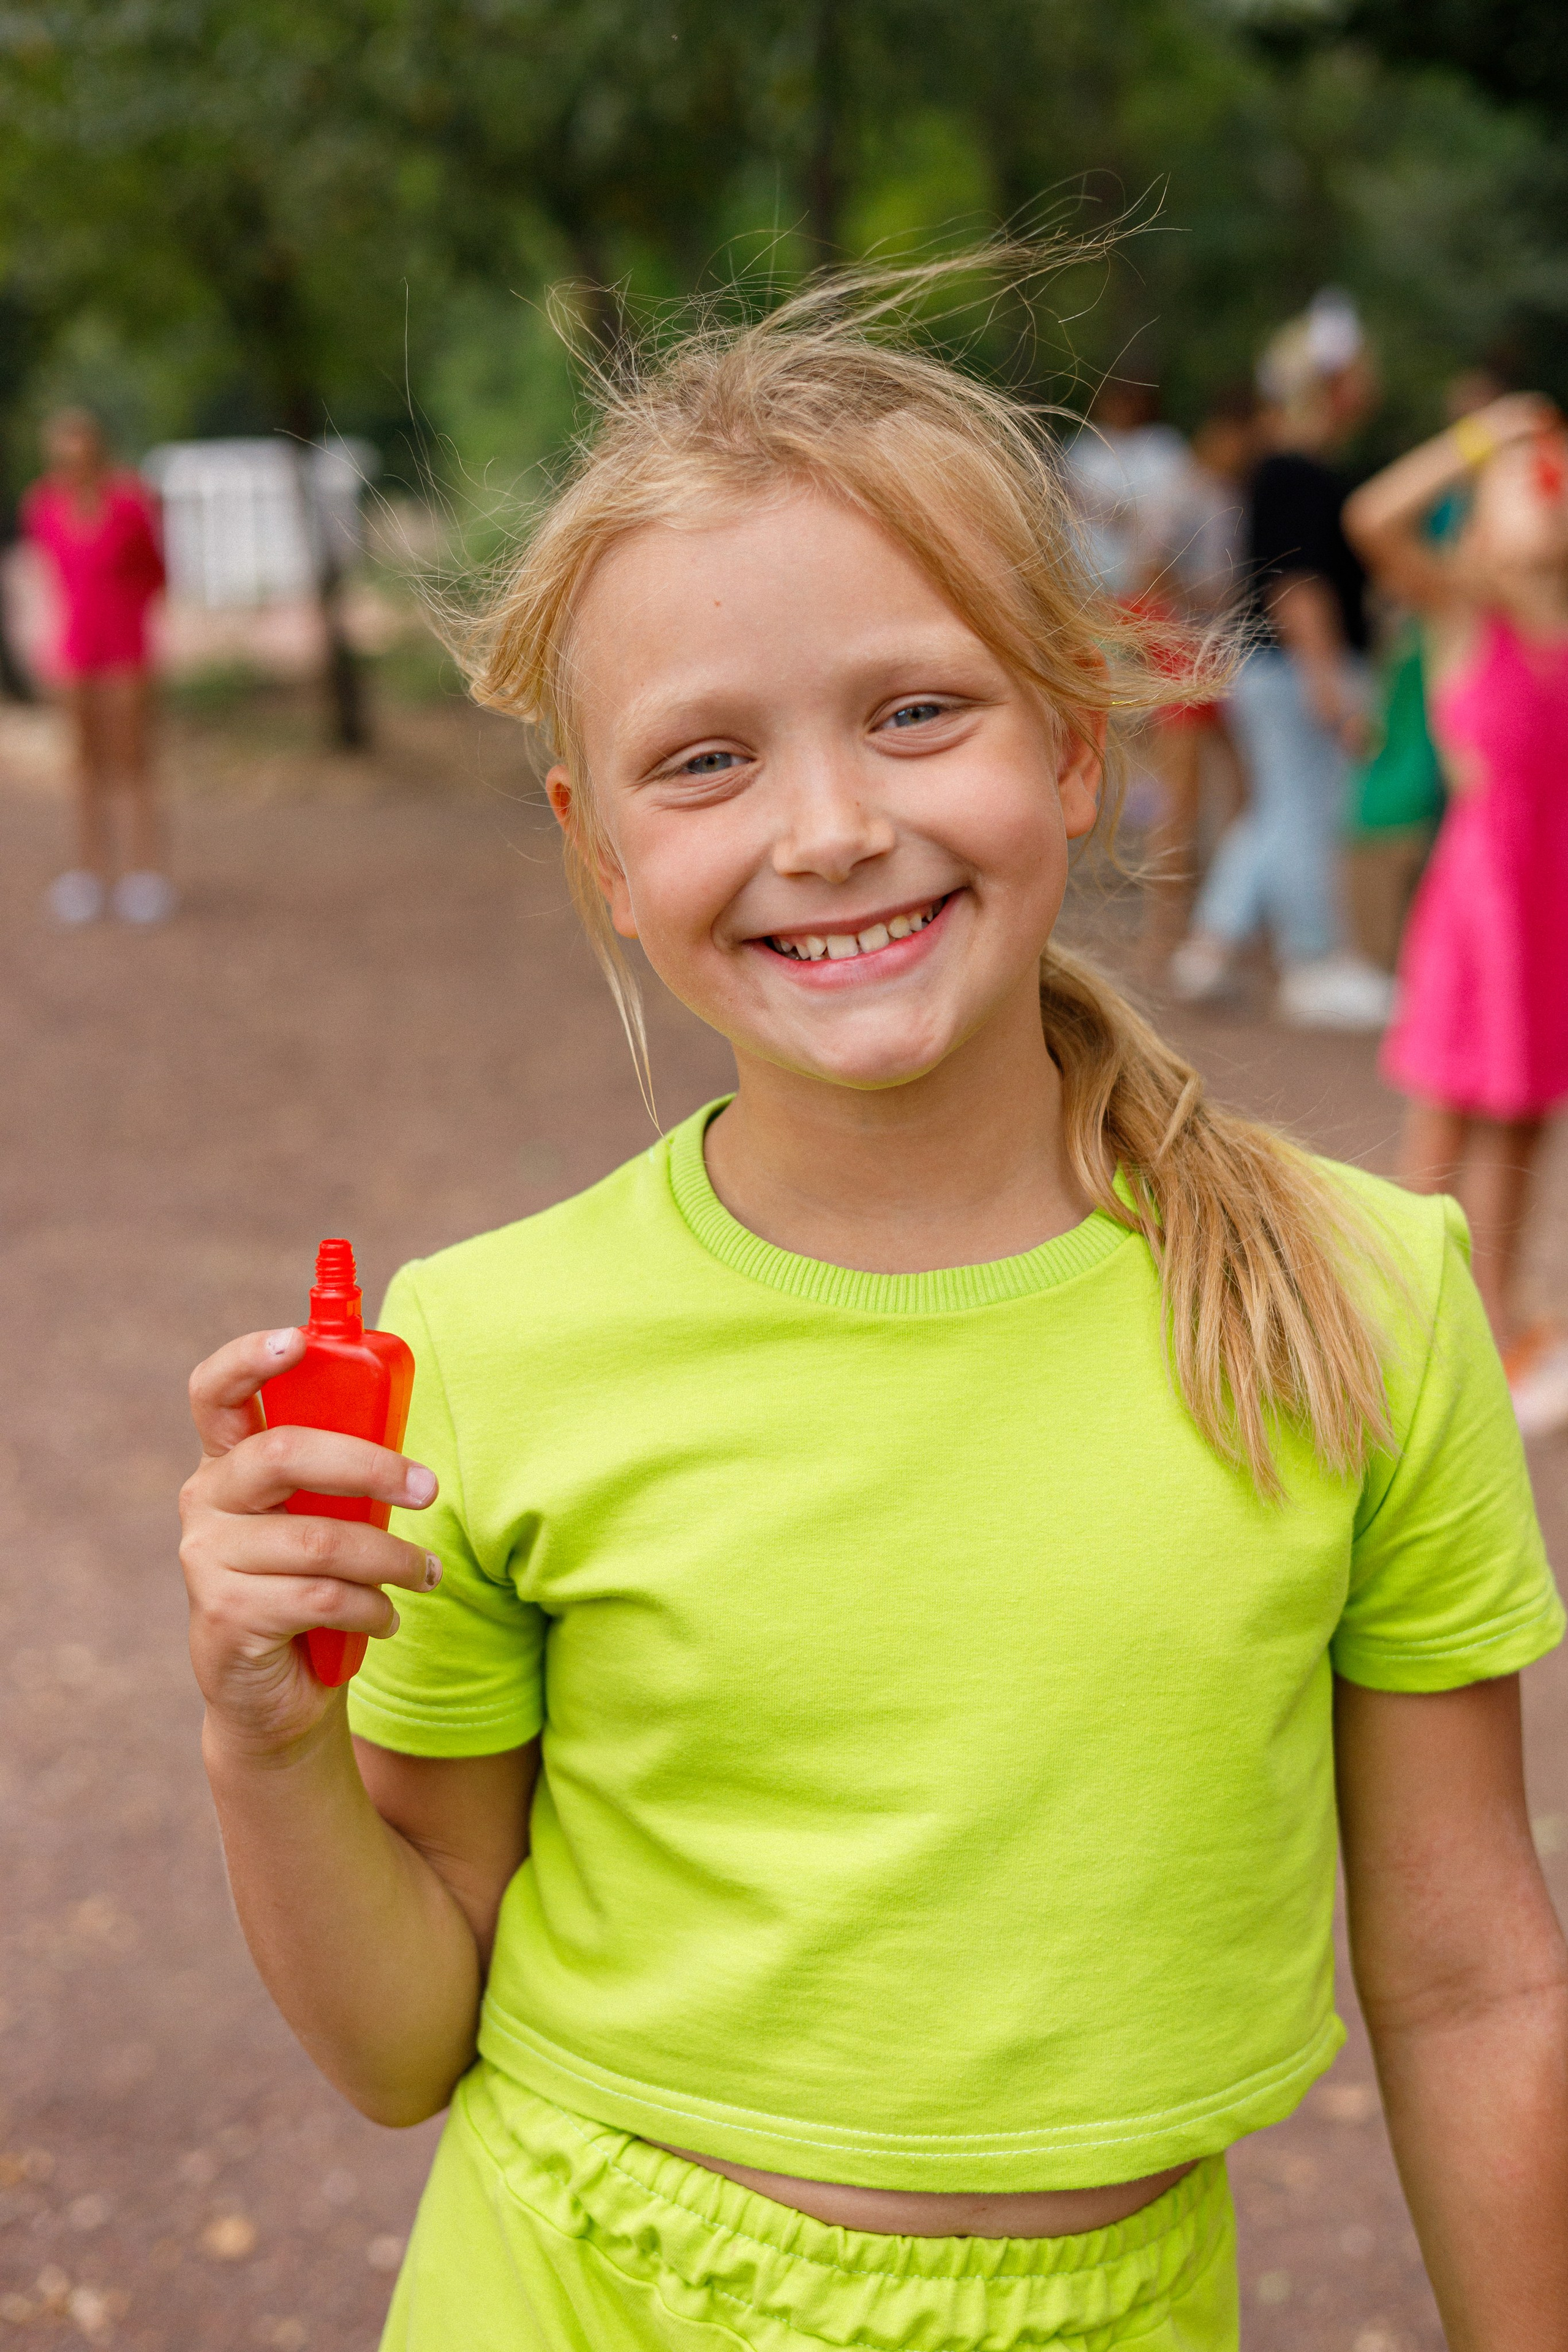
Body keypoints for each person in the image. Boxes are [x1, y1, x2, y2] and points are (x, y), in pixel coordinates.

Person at [178, 253, 1568, 2352]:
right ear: (600, 857)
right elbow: (397, 2046)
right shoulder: (491, 1349)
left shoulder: (1365, 1298)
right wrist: (260, 1740)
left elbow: (1474, 1984)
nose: (831, 829)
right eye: (705, 762)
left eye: (919, 712)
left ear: (1081, 741)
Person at [1345, 391, 1568, 1433]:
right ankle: (1395, 1320)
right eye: (1530, 480)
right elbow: (1373, 519)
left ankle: (1499, 1316)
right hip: (1487, 894)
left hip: (1550, 894)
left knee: (1523, 1115)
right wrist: (1486, 437)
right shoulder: (1462, 609)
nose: (1547, 485)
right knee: (1446, 1112)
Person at [1171, 293, 1395, 1028]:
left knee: (1278, 810)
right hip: (1297, 668)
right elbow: (1296, 582)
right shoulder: (1296, 468)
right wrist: (1328, 681)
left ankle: (1209, 946)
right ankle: (1313, 960)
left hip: (1278, 669)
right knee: (1303, 814)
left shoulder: (1286, 466)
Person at [22, 406, 173, 925]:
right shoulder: (42, 506)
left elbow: (158, 572)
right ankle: (89, 872)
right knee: (84, 767)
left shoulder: (130, 503)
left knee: (133, 762)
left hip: (127, 649)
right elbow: (54, 578)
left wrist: (131, 617)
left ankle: (143, 872)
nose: (74, 464)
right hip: (75, 651)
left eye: (82, 454)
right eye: (64, 456)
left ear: (98, 452)